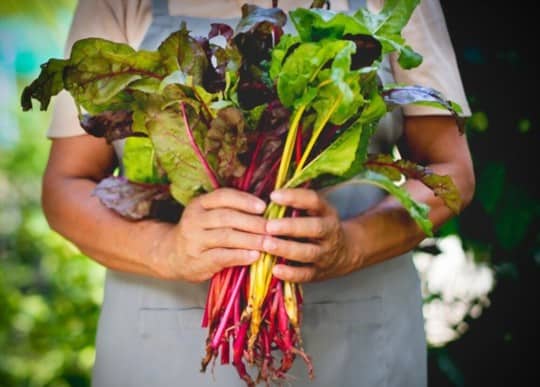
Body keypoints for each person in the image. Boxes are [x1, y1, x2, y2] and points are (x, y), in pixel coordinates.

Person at [43, 0, 475, 386]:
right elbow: (65, 187)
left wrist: (353, 244)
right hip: (161, 349)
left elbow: (452, 170)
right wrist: (166, 249)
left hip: (358, 341)